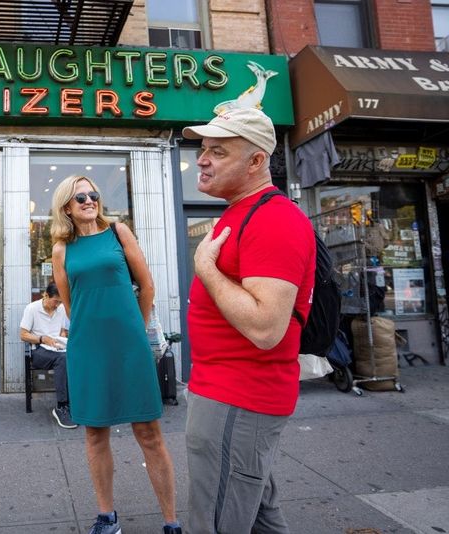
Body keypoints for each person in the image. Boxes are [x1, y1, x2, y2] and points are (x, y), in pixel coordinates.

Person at [181, 107, 316, 533]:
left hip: (238, 400)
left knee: (216, 523)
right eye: (203, 149)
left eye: (217, 151)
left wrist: (207, 270)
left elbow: (264, 327)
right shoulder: (241, 211)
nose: (202, 159)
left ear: (257, 161)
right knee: (258, 517)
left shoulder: (274, 218)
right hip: (227, 396)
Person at [50, 175, 181, 534]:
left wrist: (136, 329)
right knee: (95, 433)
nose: (89, 200)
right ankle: (107, 518)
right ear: (67, 207)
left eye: (93, 194)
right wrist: (90, 333)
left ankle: (171, 521)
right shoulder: (62, 249)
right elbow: (70, 303)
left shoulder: (119, 233)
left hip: (130, 345)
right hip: (88, 348)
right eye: (80, 197)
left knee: (149, 430)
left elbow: (147, 284)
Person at [19, 282, 75, 429]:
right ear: (46, 295)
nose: (57, 305)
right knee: (63, 359)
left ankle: (76, 403)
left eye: (60, 302)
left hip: (57, 347)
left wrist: (62, 339)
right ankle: (62, 407)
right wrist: (42, 338)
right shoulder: (32, 309)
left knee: (76, 356)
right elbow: (23, 335)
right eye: (55, 301)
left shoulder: (61, 308)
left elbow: (62, 330)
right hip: (39, 350)